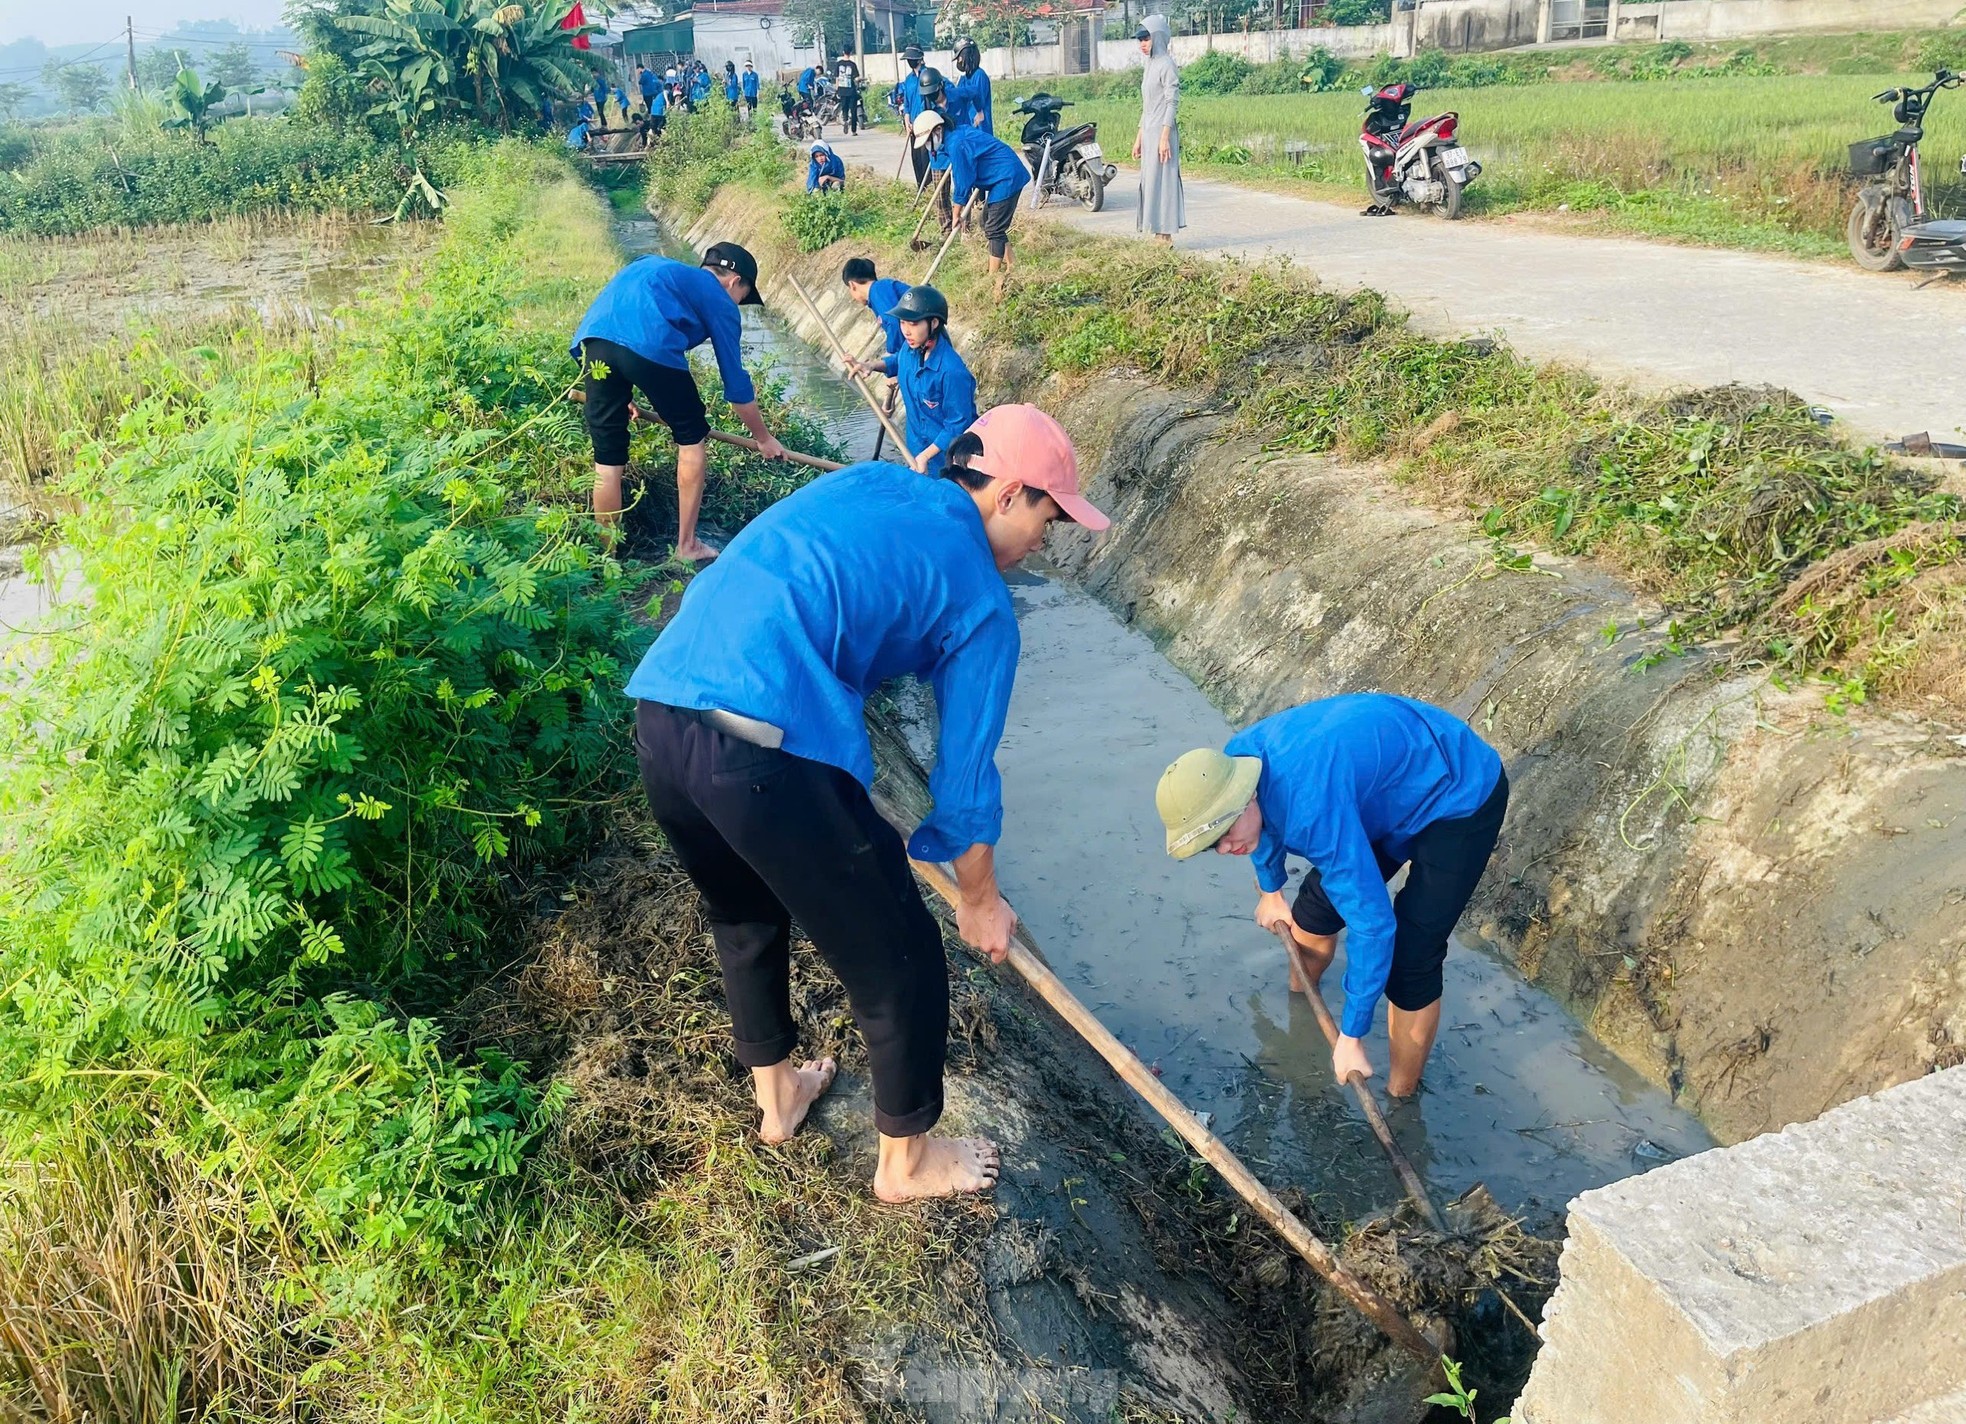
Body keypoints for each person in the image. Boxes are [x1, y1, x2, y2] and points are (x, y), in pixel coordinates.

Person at [625, 405, 1109, 1202]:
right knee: (903, 953)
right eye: (1047, 520)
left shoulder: (876, 480)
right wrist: (981, 902)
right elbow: (964, 787)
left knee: (745, 912)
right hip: (760, 736)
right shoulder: (984, 602)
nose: (1042, 544)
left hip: (664, 703)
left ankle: (778, 1102)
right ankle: (908, 1164)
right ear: (1008, 493)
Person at [1154, 694, 1509, 1097]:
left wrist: (1352, 1035)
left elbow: (1373, 925)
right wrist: (1271, 889)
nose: (1224, 849)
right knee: (1315, 912)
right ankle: (1301, 1007)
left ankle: (1400, 1098)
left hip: (1456, 793)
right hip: (1379, 792)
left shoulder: (1308, 808)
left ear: (1245, 794)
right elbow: (1258, 829)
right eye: (1210, 844)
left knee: (1413, 957)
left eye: (1223, 834)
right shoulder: (1236, 763)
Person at [570, 243, 787, 563]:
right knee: (692, 436)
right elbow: (737, 386)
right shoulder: (720, 300)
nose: (739, 304)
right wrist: (764, 438)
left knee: (608, 460)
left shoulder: (653, 265)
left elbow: (617, 322)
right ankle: (687, 546)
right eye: (744, 296)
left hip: (593, 345)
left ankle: (607, 560)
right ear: (734, 281)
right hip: (650, 346)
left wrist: (621, 396)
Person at [922, 111, 1029, 297]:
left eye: (928, 140)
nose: (927, 145)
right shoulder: (953, 140)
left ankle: (993, 279)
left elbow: (963, 181)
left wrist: (956, 213)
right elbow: (966, 173)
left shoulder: (957, 143)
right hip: (999, 178)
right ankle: (1012, 264)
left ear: (938, 130)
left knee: (994, 228)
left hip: (1006, 177)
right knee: (986, 222)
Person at [874, 285, 975, 476]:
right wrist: (870, 366)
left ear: (934, 323)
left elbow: (957, 425)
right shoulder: (911, 348)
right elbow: (898, 361)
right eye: (903, 323)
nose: (906, 331)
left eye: (913, 324)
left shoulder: (952, 372)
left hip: (946, 462)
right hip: (915, 449)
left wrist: (926, 456)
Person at [1134, 17, 1185, 244]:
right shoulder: (1150, 65)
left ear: (1157, 38)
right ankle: (1157, 232)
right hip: (1149, 132)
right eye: (1140, 40)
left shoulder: (1167, 64)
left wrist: (1164, 137)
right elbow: (1147, 106)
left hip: (1163, 133)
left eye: (1146, 39)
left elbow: (1171, 102)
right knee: (1150, 181)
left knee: (1164, 182)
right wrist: (1139, 138)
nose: (1142, 44)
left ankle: (1165, 236)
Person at [841, 257, 908, 372]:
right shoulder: (878, 293)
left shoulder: (878, 290)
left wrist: (893, 357)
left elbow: (894, 322)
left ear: (852, 285)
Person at [896, 45, 931, 190]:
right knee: (915, 157)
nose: (910, 61)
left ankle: (928, 187)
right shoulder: (909, 80)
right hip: (913, 124)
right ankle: (920, 188)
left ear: (920, 58)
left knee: (925, 157)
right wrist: (906, 119)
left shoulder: (928, 75)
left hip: (927, 123)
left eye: (912, 58)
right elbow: (907, 103)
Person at [949, 39, 993, 133]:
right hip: (966, 130)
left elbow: (978, 102)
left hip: (980, 131)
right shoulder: (963, 79)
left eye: (960, 57)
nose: (959, 61)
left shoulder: (979, 76)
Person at [834, 48, 863, 133]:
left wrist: (837, 89)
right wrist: (861, 79)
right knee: (853, 110)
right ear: (850, 53)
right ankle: (854, 130)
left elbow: (837, 78)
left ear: (843, 52)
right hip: (851, 90)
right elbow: (856, 78)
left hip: (842, 90)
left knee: (844, 108)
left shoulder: (838, 64)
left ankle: (845, 120)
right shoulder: (852, 64)